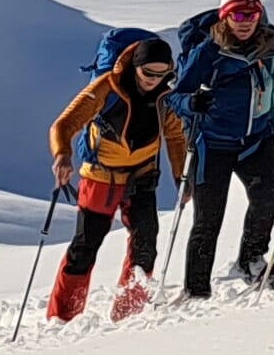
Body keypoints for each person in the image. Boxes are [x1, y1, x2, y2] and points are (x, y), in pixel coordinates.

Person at [40, 30, 189, 322]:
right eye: (148, 72)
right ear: (136, 66)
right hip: (101, 176)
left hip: (143, 174)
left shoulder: (167, 95)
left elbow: (175, 135)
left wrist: (181, 175)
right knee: (86, 246)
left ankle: (129, 313)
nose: (153, 79)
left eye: (162, 74)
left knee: (145, 243)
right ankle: (63, 317)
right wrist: (62, 155)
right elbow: (64, 124)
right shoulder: (107, 87)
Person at [172, 0, 274, 297]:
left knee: (267, 198)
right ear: (225, 16)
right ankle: (196, 288)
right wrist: (191, 104)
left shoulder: (268, 49)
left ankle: (251, 260)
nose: (245, 21)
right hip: (212, 144)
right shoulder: (208, 52)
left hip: (256, 139)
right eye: (237, 14)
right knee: (208, 219)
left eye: (251, 13)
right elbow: (175, 98)